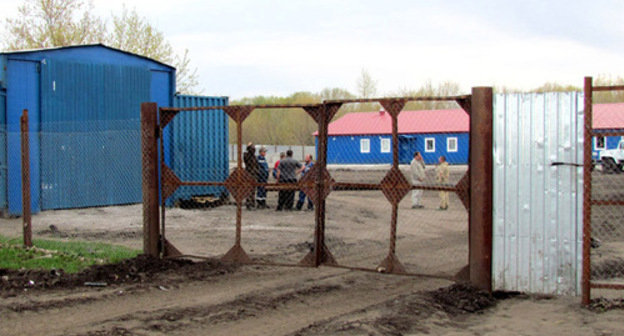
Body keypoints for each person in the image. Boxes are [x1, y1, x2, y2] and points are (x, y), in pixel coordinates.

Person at [243, 142, 258, 210]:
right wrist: (249, 145)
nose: (254, 150)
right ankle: (248, 203)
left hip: (253, 174)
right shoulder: (247, 155)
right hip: (248, 173)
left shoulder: (254, 157)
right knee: (248, 189)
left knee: (253, 190)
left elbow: (257, 166)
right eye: (252, 148)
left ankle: (252, 203)